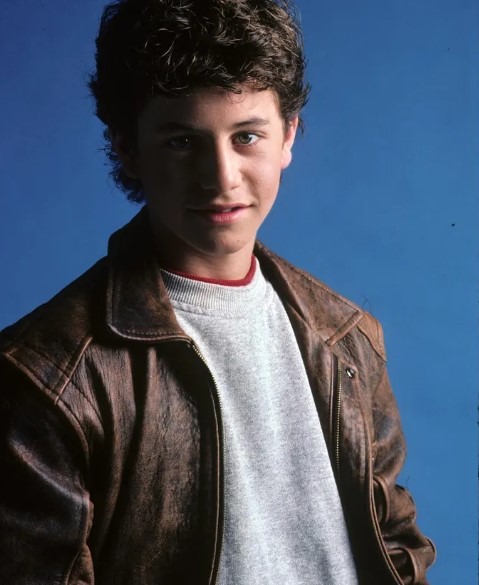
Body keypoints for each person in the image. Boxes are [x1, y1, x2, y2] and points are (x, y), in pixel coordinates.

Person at [0, 0, 435, 583]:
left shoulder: (348, 339)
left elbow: (394, 543)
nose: (221, 177)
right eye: (183, 142)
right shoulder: (45, 378)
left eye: (247, 136)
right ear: (128, 147)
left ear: (289, 136)